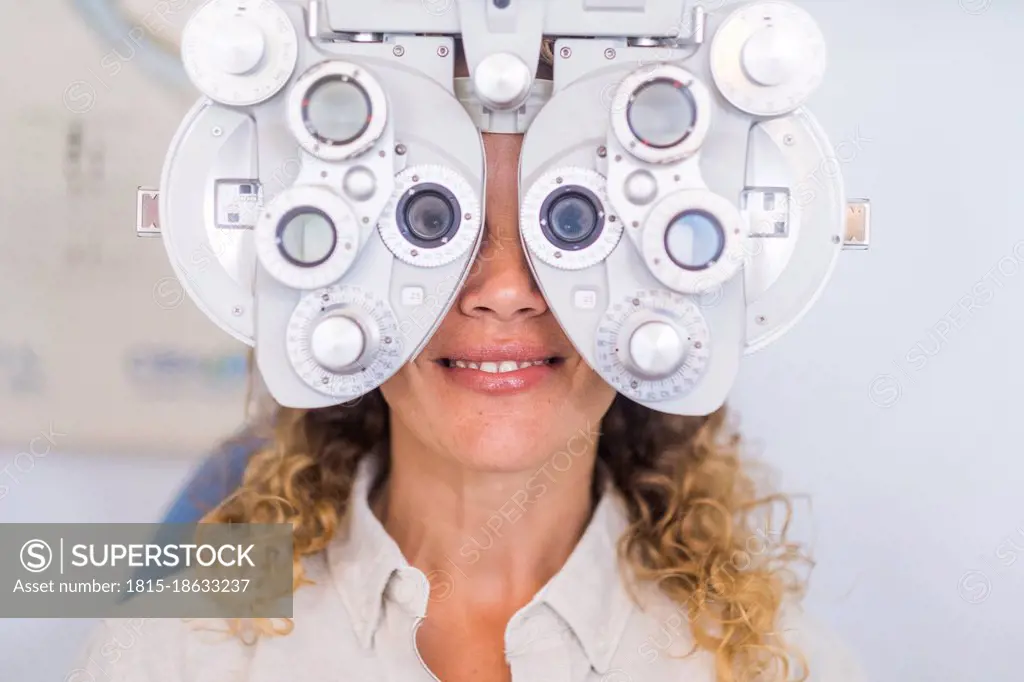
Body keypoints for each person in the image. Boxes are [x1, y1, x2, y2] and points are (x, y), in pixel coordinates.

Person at [73, 43, 866, 682]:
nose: (506, 292)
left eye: (571, 227)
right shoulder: (173, 653)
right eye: (431, 224)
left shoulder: (771, 667)